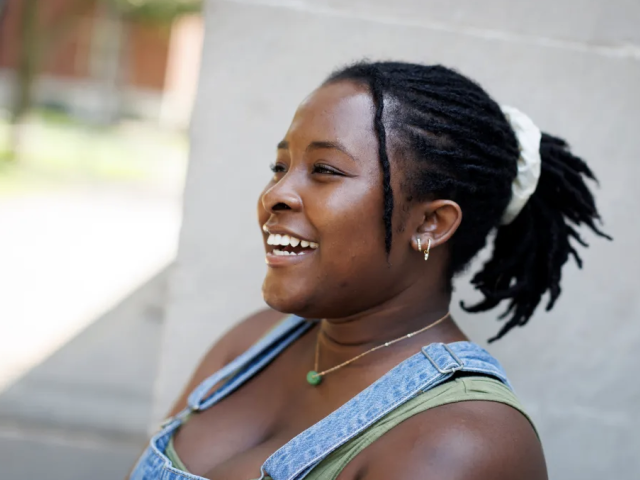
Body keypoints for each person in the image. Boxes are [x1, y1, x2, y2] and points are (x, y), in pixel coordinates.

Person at [129, 61, 609, 480]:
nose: (274, 194)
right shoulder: (255, 341)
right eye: (280, 166)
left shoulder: (459, 443)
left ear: (429, 223)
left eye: (325, 170)